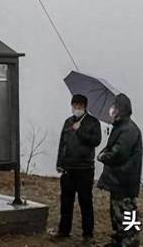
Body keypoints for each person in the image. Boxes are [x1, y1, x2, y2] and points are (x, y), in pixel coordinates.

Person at [52, 94, 102, 243]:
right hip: (68, 168)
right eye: (75, 106)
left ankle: (88, 234)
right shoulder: (68, 122)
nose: (77, 109)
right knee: (66, 201)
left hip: (84, 169)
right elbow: (63, 143)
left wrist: (80, 130)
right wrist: (59, 163)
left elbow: (96, 141)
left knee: (85, 201)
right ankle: (63, 230)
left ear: (85, 107)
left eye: (80, 106)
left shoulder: (93, 122)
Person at [97, 93, 143, 247]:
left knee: (126, 213)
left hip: (125, 180)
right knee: (117, 213)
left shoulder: (128, 129)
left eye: (114, 107)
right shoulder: (120, 127)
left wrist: (104, 157)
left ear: (121, 110)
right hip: (117, 180)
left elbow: (119, 154)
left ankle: (128, 242)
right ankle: (119, 239)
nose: (111, 110)